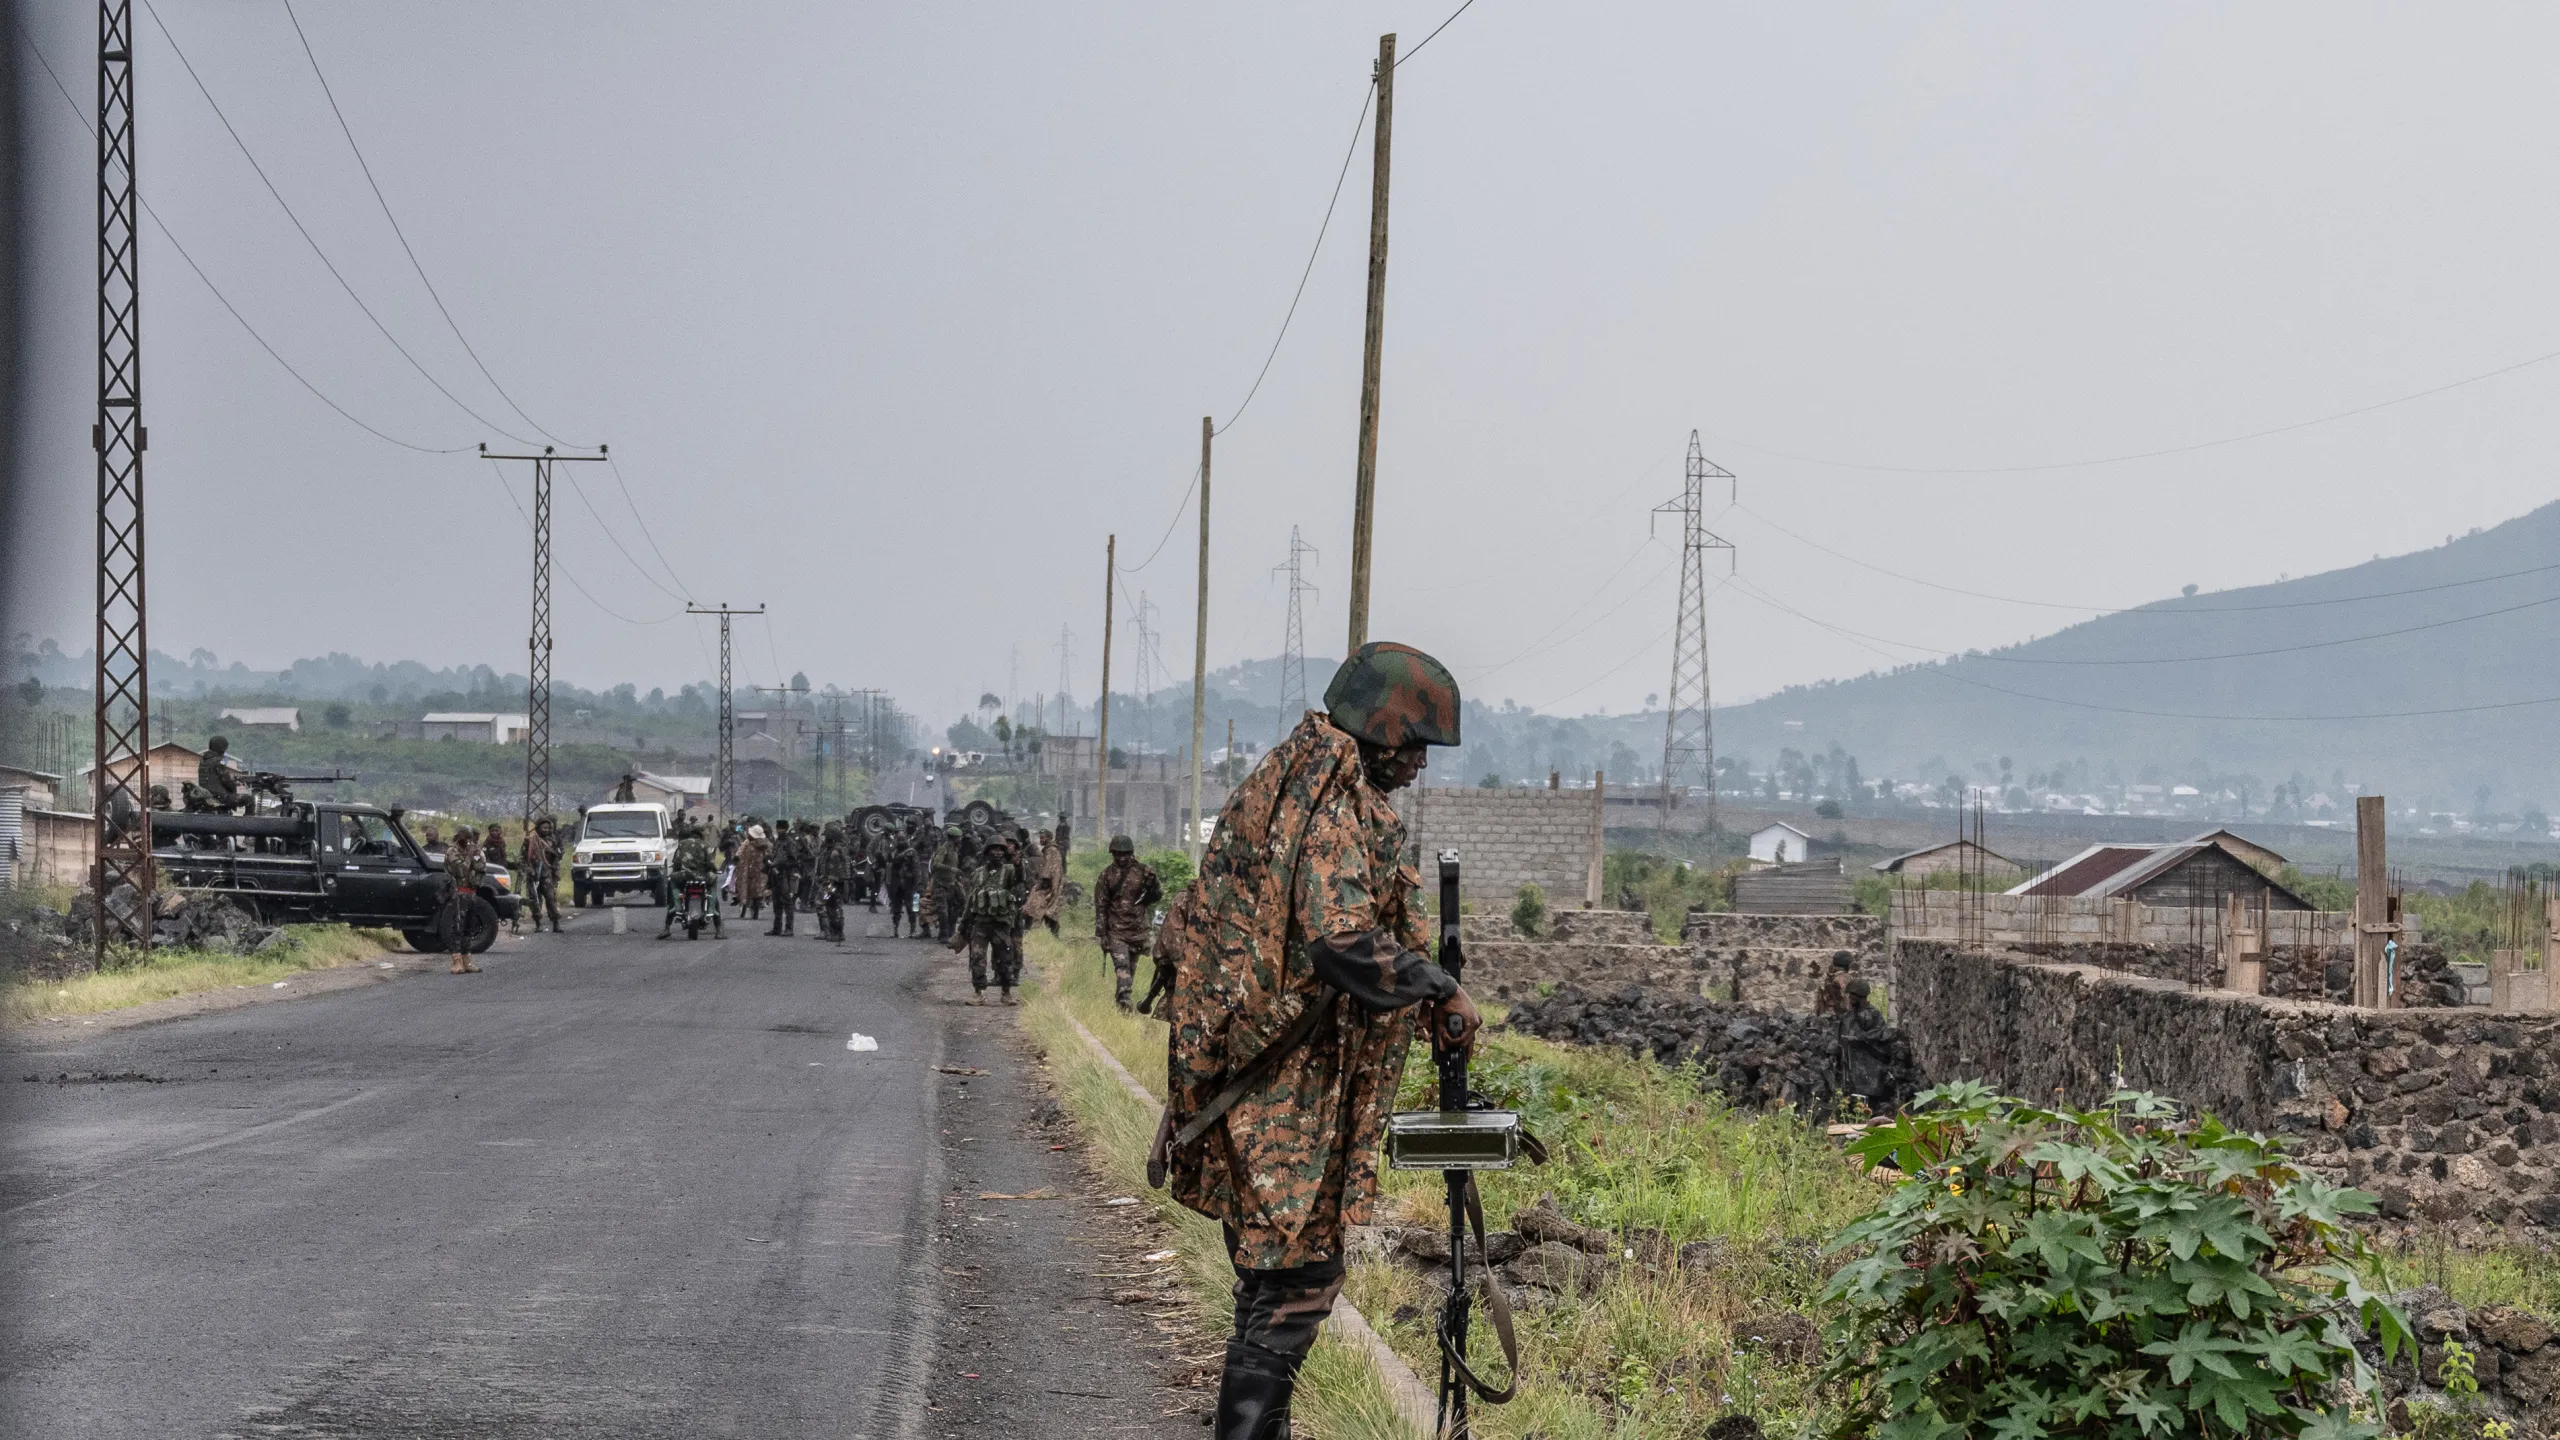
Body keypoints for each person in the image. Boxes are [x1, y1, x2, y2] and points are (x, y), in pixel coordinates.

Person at [1152, 642, 1479, 1438]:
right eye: (1417, 747)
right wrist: (1436, 985)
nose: (1420, 766)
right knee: (1296, 1282)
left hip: (1263, 1085)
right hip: (1280, 1098)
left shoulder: (1298, 782)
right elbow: (1338, 942)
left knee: (1272, 1283)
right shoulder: (1331, 806)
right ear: (1385, 729)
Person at [951, 831, 1028, 1004]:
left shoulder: (1009, 871)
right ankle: (979, 993)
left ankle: (1006, 993)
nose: (997, 853)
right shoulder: (977, 874)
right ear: (987, 852)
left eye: (1000, 850)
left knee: (1005, 959)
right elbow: (971, 900)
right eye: (994, 849)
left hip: (1001, 924)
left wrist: (1018, 865)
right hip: (980, 923)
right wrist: (963, 926)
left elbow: (1019, 879)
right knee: (977, 957)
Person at [1094, 835, 1165, 1012]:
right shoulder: (1106, 876)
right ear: (1112, 854)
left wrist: (1153, 882)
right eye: (1117, 854)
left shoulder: (1143, 872)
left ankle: (1120, 1002)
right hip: (1116, 931)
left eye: (1125, 854)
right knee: (1122, 966)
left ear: (1131, 853)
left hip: (1137, 930)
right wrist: (1102, 934)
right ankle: (1125, 1002)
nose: (1121, 858)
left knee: (1130, 969)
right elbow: (1101, 906)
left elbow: (1156, 896)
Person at [661, 818, 719, 939]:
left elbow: (676, 862)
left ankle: (667, 927)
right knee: (713, 884)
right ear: (701, 834)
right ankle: (718, 928)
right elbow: (710, 864)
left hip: (684, 877)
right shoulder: (705, 845)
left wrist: (679, 868)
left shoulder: (682, 844)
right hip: (703, 878)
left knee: (673, 882)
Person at [443, 822, 487, 975]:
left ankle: (467, 960)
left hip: (471, 893)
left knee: (470, 926)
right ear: (459, 836)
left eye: (470, 837)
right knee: (457, 927)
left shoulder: (474, 850)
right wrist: (471, 858)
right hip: (458, 893)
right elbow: (460, 870)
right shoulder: (452, 851)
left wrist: (476, 857)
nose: (468, 840)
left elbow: (482, 867)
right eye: (465, 837)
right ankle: (456, 961)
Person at [522, 815, 564, 934]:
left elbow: (558, 856)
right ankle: (538, 924)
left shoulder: (553, 840)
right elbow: (523, 858)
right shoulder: (529, 840)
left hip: (547, 874)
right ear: (538, 828)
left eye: (548, 828)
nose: (546, 830)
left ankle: (556, 923)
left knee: (551, 899)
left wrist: (555, 867)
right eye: (543, 828)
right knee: (535, 900)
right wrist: (529, 869)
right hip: (533, 875)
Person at [928, 824, 964, 942]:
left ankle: (949, 933)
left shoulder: (955, 850)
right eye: (958, 837)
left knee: (953, 911)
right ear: (953, 838)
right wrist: (951, 869)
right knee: (943, 911)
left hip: (952, 885)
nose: (960, 839)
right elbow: (936, 864)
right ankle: (943, 933)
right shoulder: (943, 849)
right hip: (940, 885)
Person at [765, 820, 801, 936]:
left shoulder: (790, 842)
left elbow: (794, 859)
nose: (780, 830)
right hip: (776, 874)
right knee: (776, 902)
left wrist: (781, 864)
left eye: (782, 829)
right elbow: (775, 855)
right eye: (778, 828)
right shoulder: (777, 841)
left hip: (786, 874)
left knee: (788, 902)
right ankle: (777, 928)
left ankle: (789, 929)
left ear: (786, 829)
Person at [197, 736, 248, 814]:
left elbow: (213, 778)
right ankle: (249, 821)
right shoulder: (218, 762)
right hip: (219, 797)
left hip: (205, 796)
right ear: (221, 749)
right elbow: (227, 782)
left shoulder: (203, 761)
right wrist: (234, 786)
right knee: (249, 800)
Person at [884, 835, 923, 938]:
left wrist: (917, 884)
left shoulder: (911, 852)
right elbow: (888, 862)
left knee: (912, 908)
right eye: (899, 840)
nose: (901, 842)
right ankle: (895, 930)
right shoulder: (893, 852)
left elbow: (917, 869)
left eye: (903, 840)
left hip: (909, 883)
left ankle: (913, 930)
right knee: (896, 908)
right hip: (897, 884)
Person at [736, 823, 770, 920]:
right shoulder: (763, 843)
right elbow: (768, 853)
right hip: (759, 869)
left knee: (746, 885)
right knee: (759, 886)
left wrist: (736, 857)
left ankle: (750, 900)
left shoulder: (748, 843)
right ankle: (760, 900)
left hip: (749, 868)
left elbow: (739, 852)